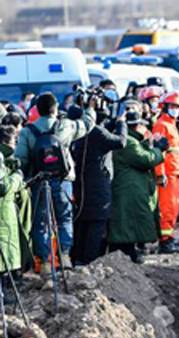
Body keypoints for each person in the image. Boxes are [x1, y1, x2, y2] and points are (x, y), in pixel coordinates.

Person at [15, 92, 95, 276]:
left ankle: (44, 262)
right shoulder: (64, 125)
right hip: (62, 180)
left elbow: (21, 159)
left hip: (39, 181)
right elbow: (87, 124)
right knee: (64, 218)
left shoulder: (28, 131)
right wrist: (89, 107)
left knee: (41, 222)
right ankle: (65, 255)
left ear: (37, 109)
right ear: (55, 108)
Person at [71, 104, 127, 266]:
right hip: (97, 186)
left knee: (82, 223)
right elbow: (120, 142)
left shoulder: (77, 131)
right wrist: (121, 123)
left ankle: (79, 259)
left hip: (81, 185)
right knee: (97, 222)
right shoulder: (96, 133)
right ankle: (90, 261)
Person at [109, 110, 166, 263]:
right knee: (129, 223)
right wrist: (158, 150)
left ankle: (130, 252)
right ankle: (127, 254)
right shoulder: (128, 142)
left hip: (130, 188)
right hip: (128, 189)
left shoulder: (130, 140)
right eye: (141, 125)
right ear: (135, 126)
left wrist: (150, 145)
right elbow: (144, 159)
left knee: (129, 222)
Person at [152, 90, 179, 254]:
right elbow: (159, 151)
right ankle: (164, 240)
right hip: (169, 169)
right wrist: (160, 173)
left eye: (177, 106)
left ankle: (169, 235)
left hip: (175, 169)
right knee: (167, 206)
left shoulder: (170, 124)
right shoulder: (162, 124)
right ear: (165, 107)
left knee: (173, 206)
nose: (176, 109)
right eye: (173, 106)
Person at [0, 130, 24, 291]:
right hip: (3, 211)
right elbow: (3, 187)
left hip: (5, 210)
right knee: (4, 249)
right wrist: (16, 177)